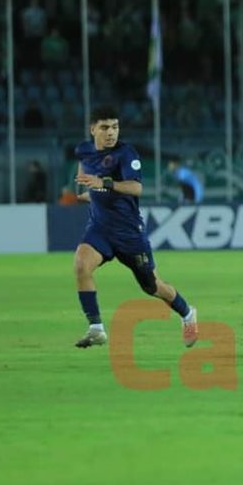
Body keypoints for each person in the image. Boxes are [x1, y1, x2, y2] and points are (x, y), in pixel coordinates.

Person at [71, 105, 198, 349]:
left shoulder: (126, 154)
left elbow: (136, 188)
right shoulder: (84, 150)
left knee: (153, 287)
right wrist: (86, 190)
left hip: (129, 234)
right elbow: (84, 176)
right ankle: (96, 328)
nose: (111, 133)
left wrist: (104, 183)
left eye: (115, 127)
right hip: (100, 229)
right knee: (80, 265)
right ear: (93, 129)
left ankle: (187, 313)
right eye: (105, 127)